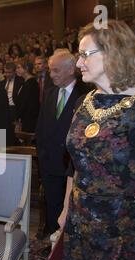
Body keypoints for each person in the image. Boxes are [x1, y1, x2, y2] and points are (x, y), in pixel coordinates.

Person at [57, 20, 135, 260]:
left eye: (85, 54)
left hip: (131, 235)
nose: (78, 63)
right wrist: (65, 211)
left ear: (114, 53)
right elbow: (73, 165)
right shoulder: (83, 103)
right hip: (83, 227)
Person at [36, 49, 89, 239]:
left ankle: (67, 244)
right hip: (49, 163)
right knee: (52, 206)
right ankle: (52, 245)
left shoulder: (85, 95)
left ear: (70, 70)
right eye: (50, 70)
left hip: (71, 166)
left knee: (71, 209)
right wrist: (41, 155)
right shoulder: (50, 94)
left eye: (56, 70)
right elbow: (41, 128)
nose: (52, 75)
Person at [14, 58, 40, 133]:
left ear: (26, 68)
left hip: (29, 120)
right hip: (25, 119)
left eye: (19, 67)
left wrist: (18, 118)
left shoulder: (31, 83)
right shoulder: (25, 82)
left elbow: (26, 104)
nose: (16, 70)